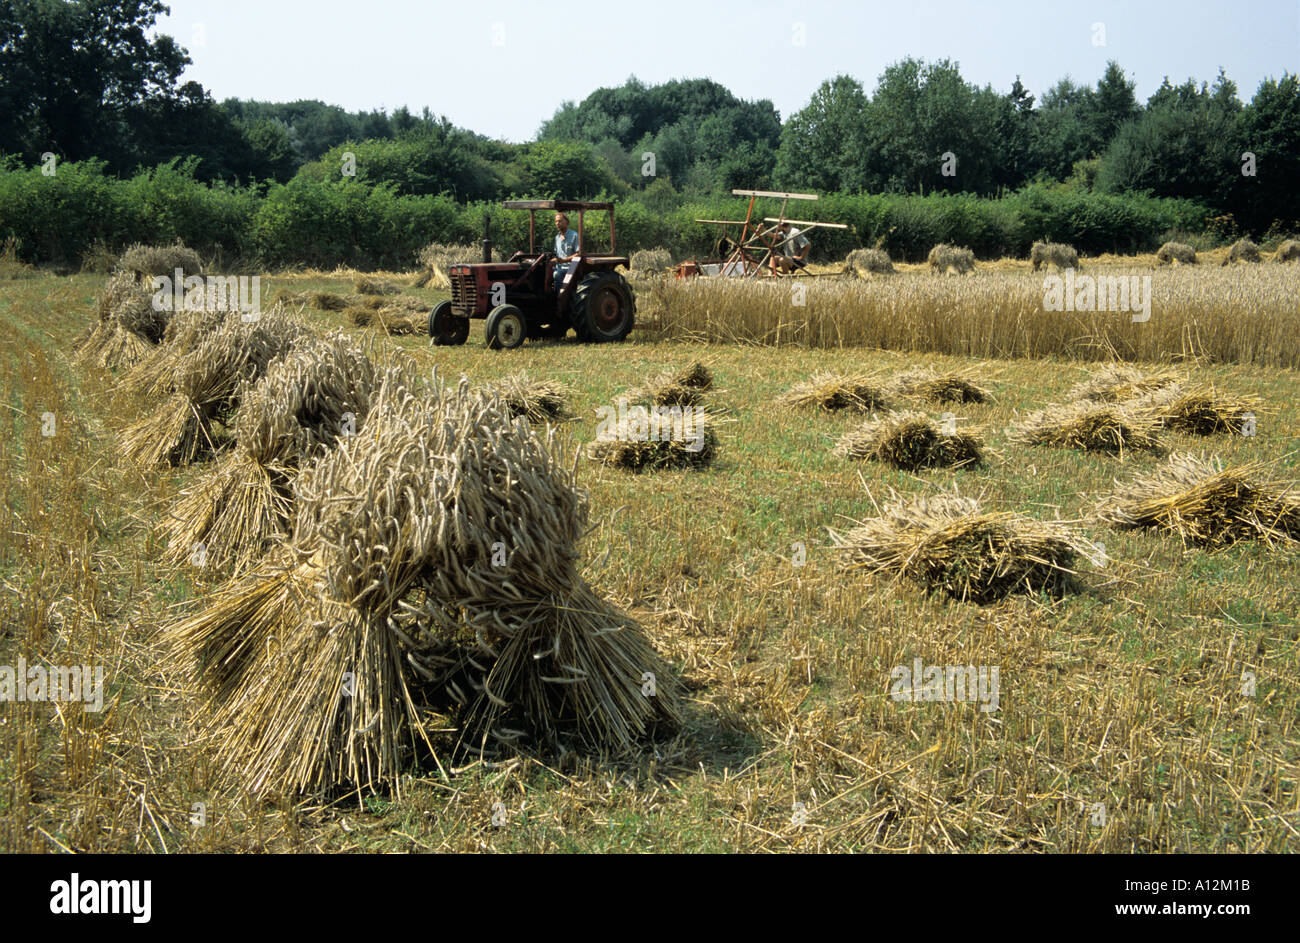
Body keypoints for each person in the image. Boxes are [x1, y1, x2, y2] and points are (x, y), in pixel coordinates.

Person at [553, 212, 579, 283]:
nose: (557, 223)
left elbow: (578, 254)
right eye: (556, 221)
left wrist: (564, 260)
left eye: (560, 221)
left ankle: (560, 294)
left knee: (557, 274)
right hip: (558, 266)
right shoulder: (557, 237)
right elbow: (556, 254)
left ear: (567, 222)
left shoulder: (574, 235)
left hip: (570, 267)